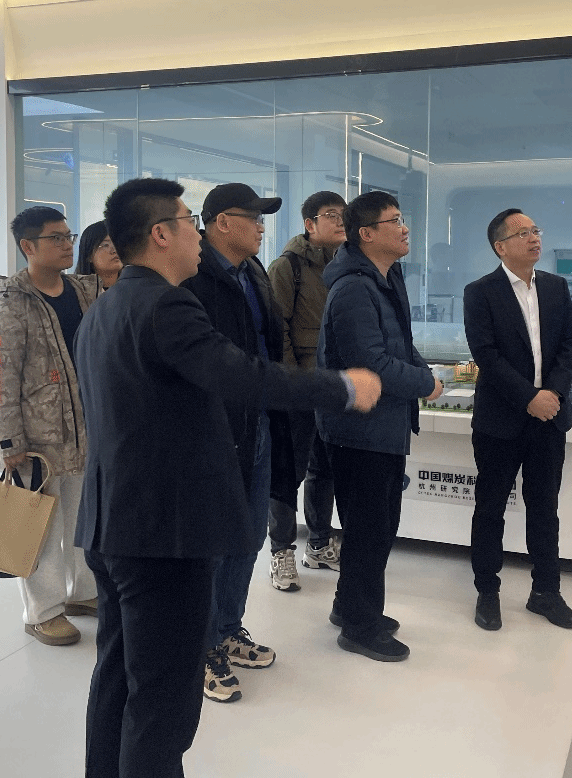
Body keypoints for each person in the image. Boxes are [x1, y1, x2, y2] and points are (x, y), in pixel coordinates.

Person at [74, 177, 381, 778]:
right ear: (161, 235)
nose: (198, 235)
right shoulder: (166, 305)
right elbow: (242, 374)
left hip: (113, 525)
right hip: (164, 535)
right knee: (164, 701)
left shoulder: (106, 306)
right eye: (189, 222)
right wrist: (342, 387)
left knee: (117, 678)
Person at [317, 191, 443, 663]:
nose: (405, 228)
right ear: (366, 234)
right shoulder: (354, 289)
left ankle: (348, 606)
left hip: (382, 426)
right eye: (394, 221)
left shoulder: (385, 279)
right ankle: (360, 627)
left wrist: (424, 372)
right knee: (370, 530)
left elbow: (400, 346)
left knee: (376, 527)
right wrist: (425, 384)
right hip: (359, 430)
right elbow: (369, 363)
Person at [180, 182, 285, 702]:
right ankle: (200, 648)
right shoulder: (193, 277)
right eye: (254, 218)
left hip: (257, 420)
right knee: (214, 541)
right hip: (216, 428)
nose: (262, 227)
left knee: (248, 532)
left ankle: (226, 628)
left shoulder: (253, 271)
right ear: (222, 222)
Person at [0, 205, 99, 645]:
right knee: (42, 528)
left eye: (69, 236)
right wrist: (8, 440)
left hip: (85, 430)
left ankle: (83, 593)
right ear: (28, 246)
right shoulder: (10, 304)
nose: (68, 244)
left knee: (83, 519)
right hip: (37, 438)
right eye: (56, 238)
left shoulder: (82, 292)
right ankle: (42, 612)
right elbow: (0, 376)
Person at [463, 208, 572, 632]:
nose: (534, 238)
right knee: (490, 508)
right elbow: (486, 355)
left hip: (549, 418)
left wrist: (552, 395)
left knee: (545, 508)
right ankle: (487, 591)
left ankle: (546, 592)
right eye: (523, 233)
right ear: (501, 246)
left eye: (535, 230)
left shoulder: (555, 287)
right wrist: (529, 397)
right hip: (500, 420)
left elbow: (569, 346)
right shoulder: (480, 292)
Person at [265, 191, 347, 592]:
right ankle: (281, 550)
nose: (340, 220)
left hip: (332, 385)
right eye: (331, 215)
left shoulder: (346, 264)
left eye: (343, 214)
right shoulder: (288, 266)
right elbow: (276, 327)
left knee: (324, 468)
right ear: (309, 224)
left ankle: (319, 543)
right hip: (299, 387)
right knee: (287, 471)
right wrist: (292, 382)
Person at [76, 219, 123, 290]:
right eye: (105, 245)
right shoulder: (79, 292)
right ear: (89, 255)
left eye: (117, 243)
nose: (114, 250)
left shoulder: (134, 287)